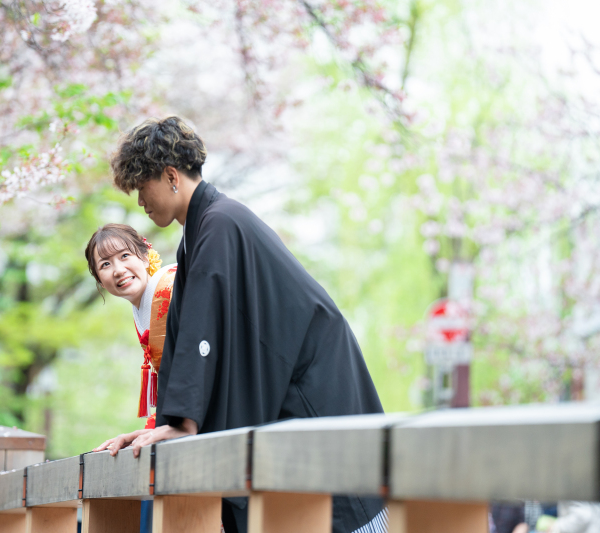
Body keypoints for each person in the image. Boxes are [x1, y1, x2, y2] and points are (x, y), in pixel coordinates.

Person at [94, 116, 387, 533]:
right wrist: (164, 425)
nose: (140, 200)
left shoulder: (220, 223)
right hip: (296, 393)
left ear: (171, 176)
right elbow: (195, 335)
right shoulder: (204, 229)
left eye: (143, 187)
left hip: (312, 392)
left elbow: (202, 332)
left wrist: (180, 424)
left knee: (344, 507)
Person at [84, 223, 177, 533]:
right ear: (99, 280)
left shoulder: (170, 288)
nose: (118, 270)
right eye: (105, 265)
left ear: (145, 253)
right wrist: (143, 432)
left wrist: (177, 425)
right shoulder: (142, 308)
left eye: (125, 256)